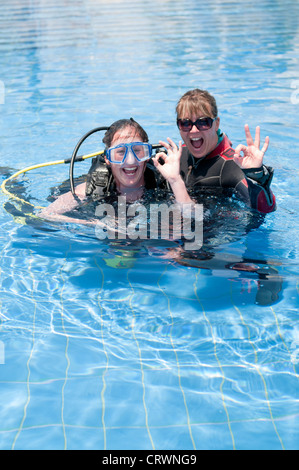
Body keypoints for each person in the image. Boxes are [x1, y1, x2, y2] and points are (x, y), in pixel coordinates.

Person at [39, 118, 193, 224]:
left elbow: (193, 218)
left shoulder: (163, 184)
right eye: (120, 152)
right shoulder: (92, 188)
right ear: (107, 158)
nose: (130, 160)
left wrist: (175, 180)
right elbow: (46, 214)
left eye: (138, 151)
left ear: (147, 155)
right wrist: (96, 224)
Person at [170, 88, 276, 213]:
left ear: (217, 124)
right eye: (185, 123)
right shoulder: (177, 156)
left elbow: (265, 210)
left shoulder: (231, 165)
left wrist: (255, 175)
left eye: (203, 122)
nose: (193, 130)